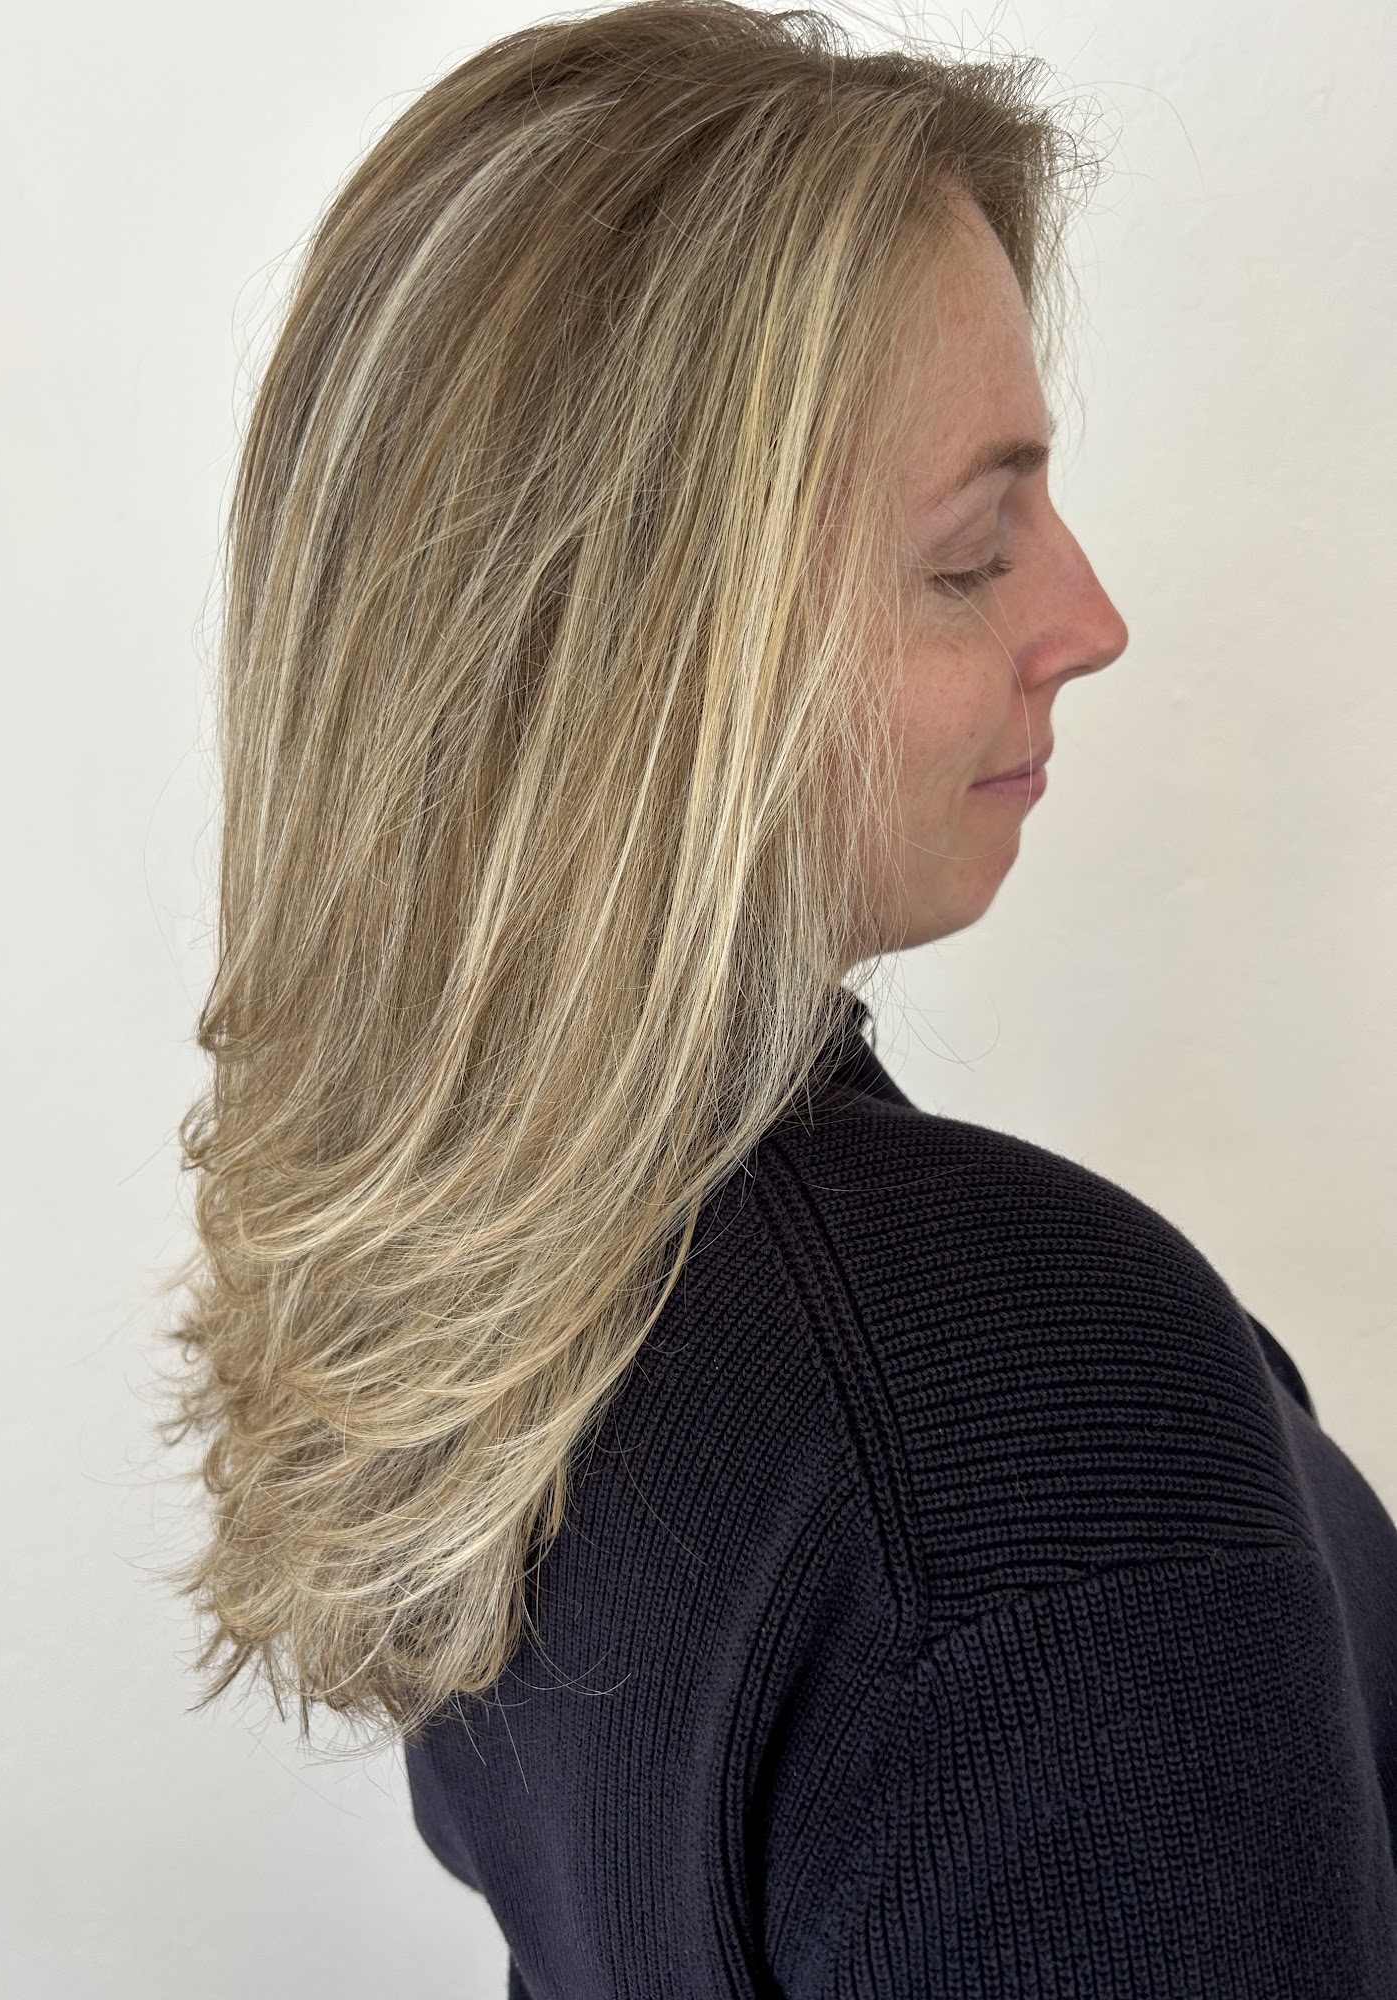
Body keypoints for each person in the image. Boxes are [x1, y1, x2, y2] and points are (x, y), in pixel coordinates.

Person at [156, 1, 1397, 1991]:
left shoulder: (500, 1326)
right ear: (639, 657)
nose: (1088, 619)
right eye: (971, 556)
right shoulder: (1001, 1415)